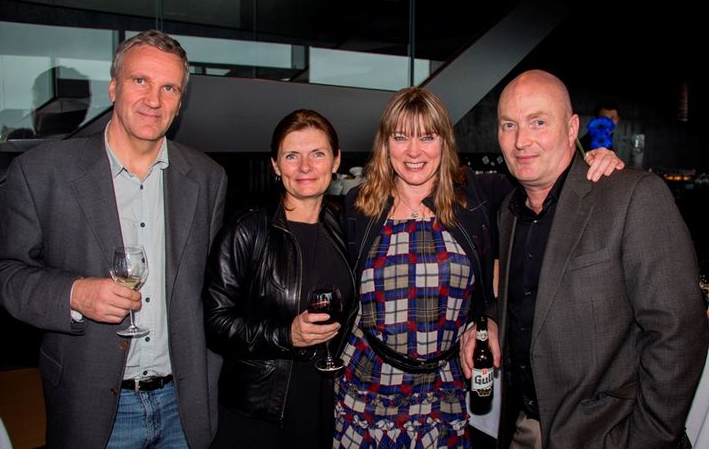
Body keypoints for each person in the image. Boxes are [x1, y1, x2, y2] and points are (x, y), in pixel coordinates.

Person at [334, 87, 623, 448]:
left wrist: (590, 158)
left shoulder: (478, 194)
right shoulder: (358, 206)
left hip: (443, 392)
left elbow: (548, 178)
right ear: (385, 143)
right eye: (401, 137)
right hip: (367, 388)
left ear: (445, 141)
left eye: (427, 137)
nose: (413, 151)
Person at [0, 30, 228, 448]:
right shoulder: (42, 171)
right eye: (140, 81)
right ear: (114, 87)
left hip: (184, 403)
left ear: (180, 102)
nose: (154, 99)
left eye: (169, 88)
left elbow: (212, 288)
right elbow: (6, 274)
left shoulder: (208, 177)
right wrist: (74, 294)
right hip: (93, 405)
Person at [486, 69, 709, 448]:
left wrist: (645, 440)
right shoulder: (509, 211)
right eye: (509, 125)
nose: (521, 140)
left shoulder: (632, 196)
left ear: (572, 128)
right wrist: (492, 320)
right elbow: (532, 299)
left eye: (538, 122)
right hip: (524, 428)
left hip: (608, 434)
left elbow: (679, 332)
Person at [204, 109, 356, 449]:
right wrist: (286, 335)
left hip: (326, 401)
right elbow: (215, 323)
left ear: (336, 161)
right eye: (291, 156)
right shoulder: (248, 229)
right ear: (275, 165)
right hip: (259, 411)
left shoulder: (345, 228)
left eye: (317, 154)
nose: (305, 167)